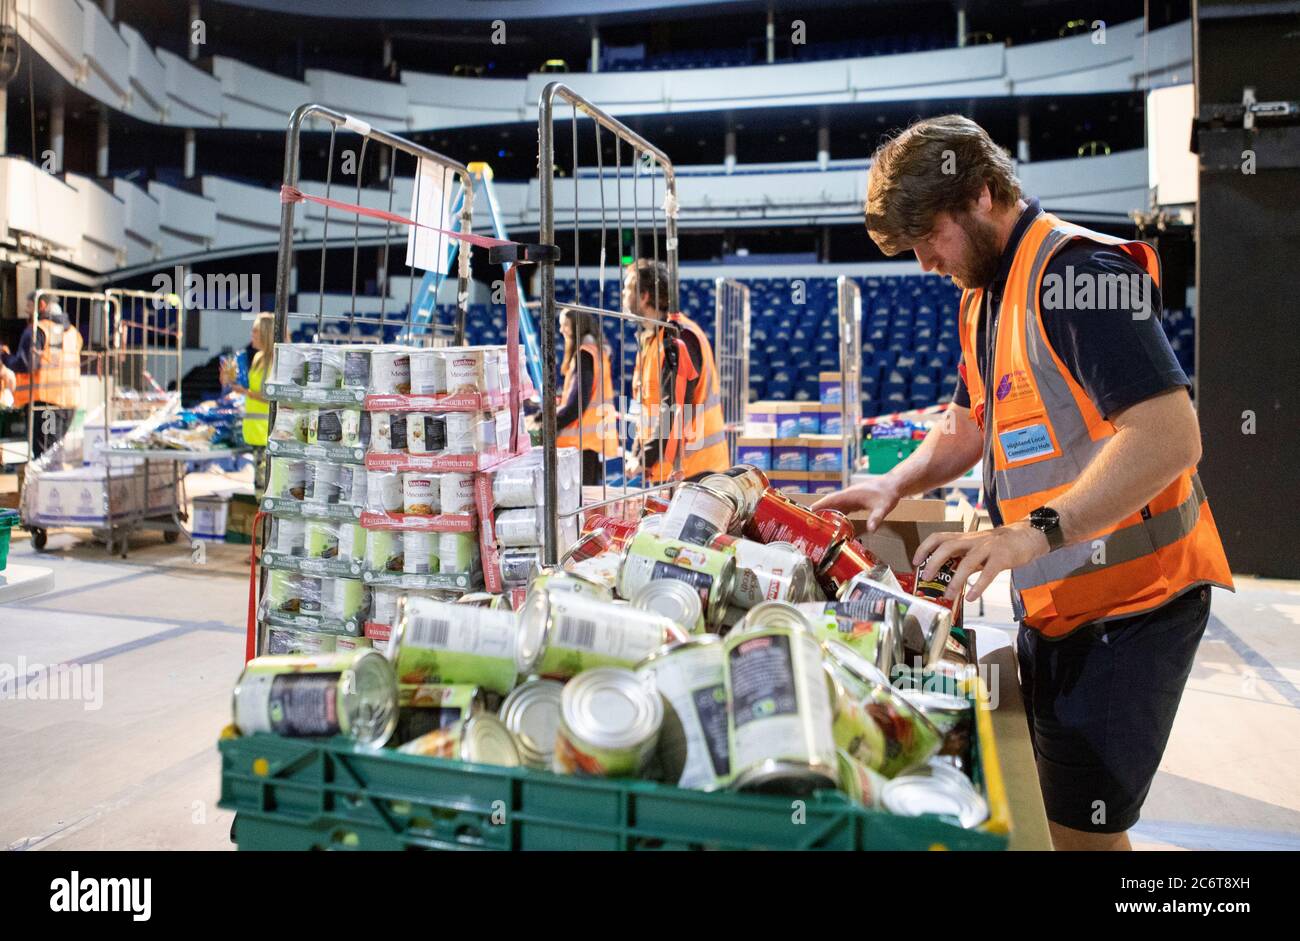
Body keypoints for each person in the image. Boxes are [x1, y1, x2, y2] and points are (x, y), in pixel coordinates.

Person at [813, 115, 1233, 851]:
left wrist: (1030, 532)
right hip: (1060, 601)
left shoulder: (1077, 275)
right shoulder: (985, 290)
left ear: (980, 195)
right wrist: (894, 484)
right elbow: (968, 422)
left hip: (1135, 607)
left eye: (928, 239)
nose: (923, 265)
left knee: (1083, 834)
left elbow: (1171, 436)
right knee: (1056, 814)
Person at [624, 259, 728, 483]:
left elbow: (675, 407)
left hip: (696, 471)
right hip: (672, 470)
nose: (622, 294)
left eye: (627, 288)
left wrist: (643, 458)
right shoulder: (653, 340)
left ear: (644, 296)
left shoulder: (678, 338)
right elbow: (645, 408)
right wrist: (638, 453)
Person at [2, 292, 82, 461]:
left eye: (29, 305)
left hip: (46, 405)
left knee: (45, 456)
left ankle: (48, 486)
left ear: (42, 305)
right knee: (54, 453)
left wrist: (4, 356)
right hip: (69, 403)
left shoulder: (38, 329)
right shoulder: (73, 333)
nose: (26, 310)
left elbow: (26, 364)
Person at [555, 307, 619, 484]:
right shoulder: (597, 352)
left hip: (579, 443)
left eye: (565, 325)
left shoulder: (585, 354)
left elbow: (577, 403)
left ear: (578, 326)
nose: (561, 331)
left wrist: (549, 423)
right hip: (589, 441)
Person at [226, 312, 274, 491]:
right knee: (258, 488)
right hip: (253, 432)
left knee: (262, 490)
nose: (251, 336)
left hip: (265, 435)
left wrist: (246, 392)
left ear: (265, 334)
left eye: (255, 332)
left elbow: (271, 396)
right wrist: (231, 381)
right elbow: (250, 389)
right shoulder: (258, 358)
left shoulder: (275, 361)